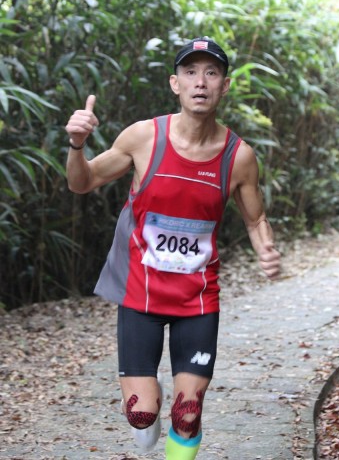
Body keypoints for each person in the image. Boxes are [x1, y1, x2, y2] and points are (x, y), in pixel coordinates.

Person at [65, 36, 281, 460]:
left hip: (197, 299)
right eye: (190, 72)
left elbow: (255, 218)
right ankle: (149, 404)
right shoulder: (144, 137)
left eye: (211, 73)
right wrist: (76, 145)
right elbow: (83, 181)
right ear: (174, 83)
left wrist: (266, 249)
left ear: (224, 86)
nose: (200, 82)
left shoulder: (238, 157)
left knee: (187, 415)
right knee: (142, 415)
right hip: (140, 292)